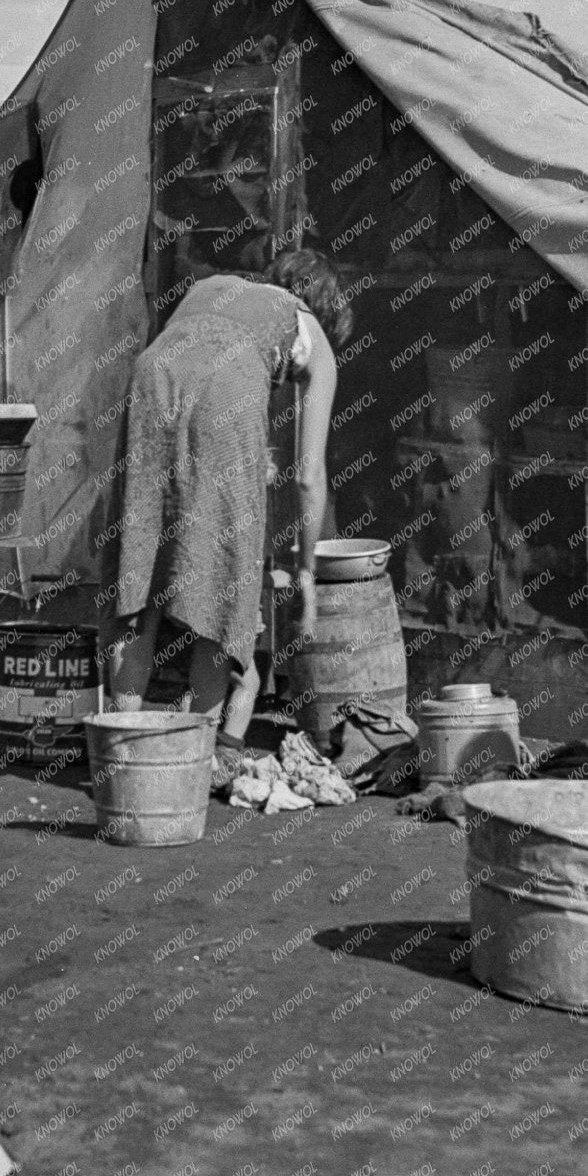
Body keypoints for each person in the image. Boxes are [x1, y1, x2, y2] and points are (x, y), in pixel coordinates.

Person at [102, 249, 355, 781]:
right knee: (222, 584)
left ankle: (121, 752)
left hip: (151, 380)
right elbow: (310, 475)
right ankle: (203, 763)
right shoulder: (312, 333)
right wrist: (306, 573)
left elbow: (189, 371)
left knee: (142, 566)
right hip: (228, 392)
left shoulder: (215, 287)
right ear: (324, 308)